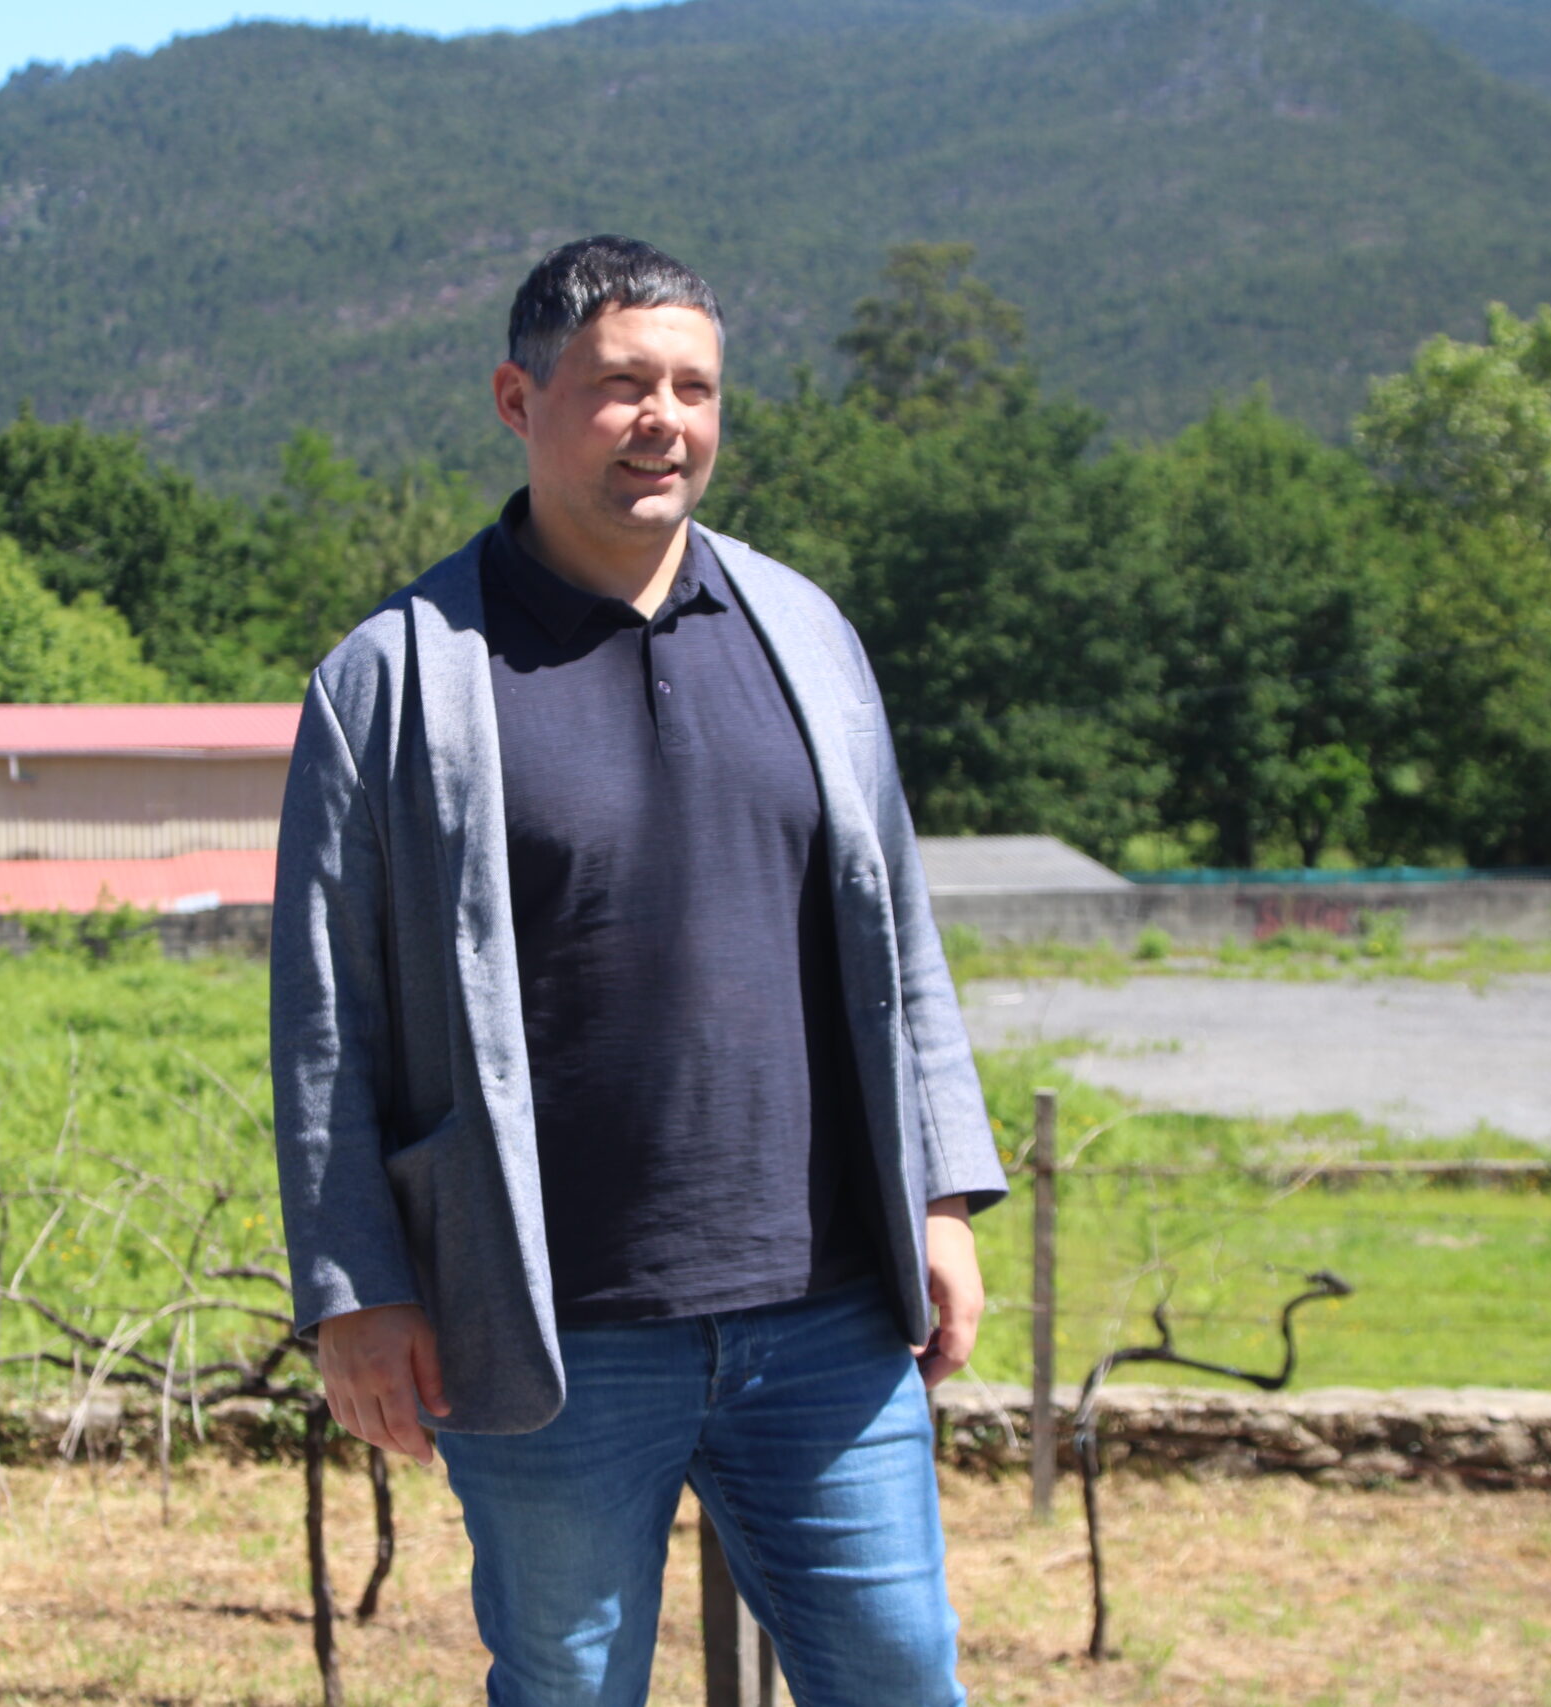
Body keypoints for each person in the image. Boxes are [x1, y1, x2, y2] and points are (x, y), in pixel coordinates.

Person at [270, 234, 1006, 1707]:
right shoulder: (400, 676)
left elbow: (893, 935)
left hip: (827, 1312)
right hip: (551, 1326)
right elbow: (326, 1015)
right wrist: (355, 1291)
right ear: (516, 399)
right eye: (619, 387)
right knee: (568, 1685)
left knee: (900, 1676)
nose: (663, 418)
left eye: (694, 387)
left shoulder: (805, 633)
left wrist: (937, 1190)